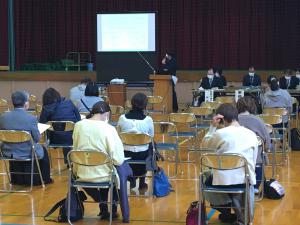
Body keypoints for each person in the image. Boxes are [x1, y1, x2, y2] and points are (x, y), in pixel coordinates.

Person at [202, 103, 258, 225]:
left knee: (204, 177)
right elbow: (253, 161)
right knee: (241, 183)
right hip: (245, 179)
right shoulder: (251, 134)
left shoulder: (219, 134)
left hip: (222, 180)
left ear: (221, 119)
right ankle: (243, 217)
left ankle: (226, 211)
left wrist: (212, 127)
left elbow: (205, 145)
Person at [72, 101, 125, 220]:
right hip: (103, 175)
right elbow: (118, 159)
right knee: (115, 173)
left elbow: (75, 148)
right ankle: (113, 209)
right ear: (106, 114)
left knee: (99, 167)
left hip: (81, 173)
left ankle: (102, 205)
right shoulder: (109, 129)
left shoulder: (78, 125)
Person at [0, 91, 52, 185]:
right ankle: (44, 179)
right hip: (27, 151)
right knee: (43, 149)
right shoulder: (31, 118)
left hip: (8, 151)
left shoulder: (3, 117)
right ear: (26, 103)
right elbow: (36, 139)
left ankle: (15, 179)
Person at [117, 93, 154, 190]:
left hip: (125, 154)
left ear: (131, 103)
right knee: (150, 147)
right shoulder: (148, 120)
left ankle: (130, 177)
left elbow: (118, 135)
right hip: (143, 155)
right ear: (145, 105)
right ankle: (142, 182)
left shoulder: (122, 118)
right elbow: (151, 137)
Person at [237, 96, 271, 189]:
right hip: (255, 159)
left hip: (235, 158)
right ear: (253, 106)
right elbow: (267, 142)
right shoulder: (258, 120)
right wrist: (267, 149)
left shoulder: (233, 120)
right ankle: (255, 187)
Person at [40, 88, 81, 162]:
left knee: (59, 133)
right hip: (72, 138)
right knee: (67, 133)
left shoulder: (46, 108)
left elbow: (42, 124)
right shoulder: (69, 103)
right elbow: (78, 119)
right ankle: (69, 161)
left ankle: (65, 160)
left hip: (55, 140)